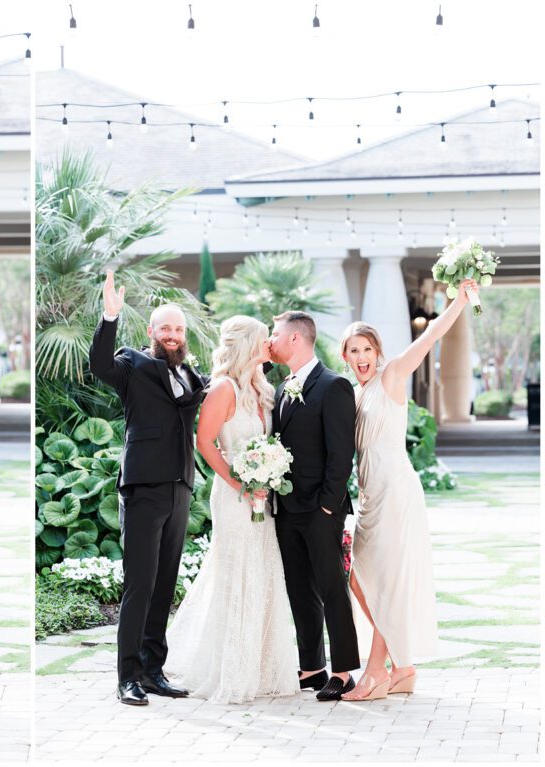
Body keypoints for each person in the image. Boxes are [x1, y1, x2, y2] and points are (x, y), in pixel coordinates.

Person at [338, 278, 480, 701]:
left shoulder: (391, 375)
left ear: (377, 352)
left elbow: (431, 335)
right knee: (360, 581)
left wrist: (456, 301)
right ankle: (403, 667)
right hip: (369, 496)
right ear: (344, 356)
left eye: (367, 349)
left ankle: (376, 672)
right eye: (353, 351)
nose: (361, 357)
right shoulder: (355, 393)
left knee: (385, 582)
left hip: (396, 492)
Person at [89, 270, 207, 706]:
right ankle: (128, 677)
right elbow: (99, 365)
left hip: (179, 488)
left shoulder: (191, 376)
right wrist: (109, 317)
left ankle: (154, 669)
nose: (173, 335)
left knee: (165, 582)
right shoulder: (132, 364)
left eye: (179, 329)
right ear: (151, 332)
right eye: (166, 328)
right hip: (141, 488)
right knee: (139, 583)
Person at [166, 316, 298, 703]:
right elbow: (205, 441)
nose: (270, 345)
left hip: (263, 496)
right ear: (247, 345)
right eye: (264, 340)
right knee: (237, 572)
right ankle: (232, 668)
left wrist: (267, 477)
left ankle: (262, 667)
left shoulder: (263, 388)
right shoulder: (223, 388)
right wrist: (241, 483)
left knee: (263, 569)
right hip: (234, 496)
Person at [268, 311, 360, 701]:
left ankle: (343, 671)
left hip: (321, 510)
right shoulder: (281, 387)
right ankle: (312, 667)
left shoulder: (334, 386)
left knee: (331, 588)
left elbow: (342, 453)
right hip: (287, 509)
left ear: (294, 339)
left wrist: (328, 506)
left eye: (274, 333)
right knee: (299, 590)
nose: (270, 339)